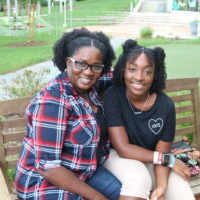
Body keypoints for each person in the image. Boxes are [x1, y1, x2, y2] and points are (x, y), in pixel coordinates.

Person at [15, 28, 121, 200]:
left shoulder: (91, 86)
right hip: (45, 182)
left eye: (96, 66)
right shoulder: (53, 101)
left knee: (128, 194)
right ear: (67, 62)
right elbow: (48, 167)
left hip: (85, 171)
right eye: (81, 63)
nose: (88, 72)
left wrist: (139, 68)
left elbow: (123, 73)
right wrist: (99, 198)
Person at [103, 39, 195, 200]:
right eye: (132, 69)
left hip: (153, 159)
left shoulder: (166, 105)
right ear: (123, 69)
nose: (139, 77)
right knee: (138, 179)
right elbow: (123, 148)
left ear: (155, 75)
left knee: (182, 191)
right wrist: (168, 160)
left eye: (147, 72)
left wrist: (161, 187)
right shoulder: (113, 95)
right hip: (117, 155)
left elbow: (163, 152)